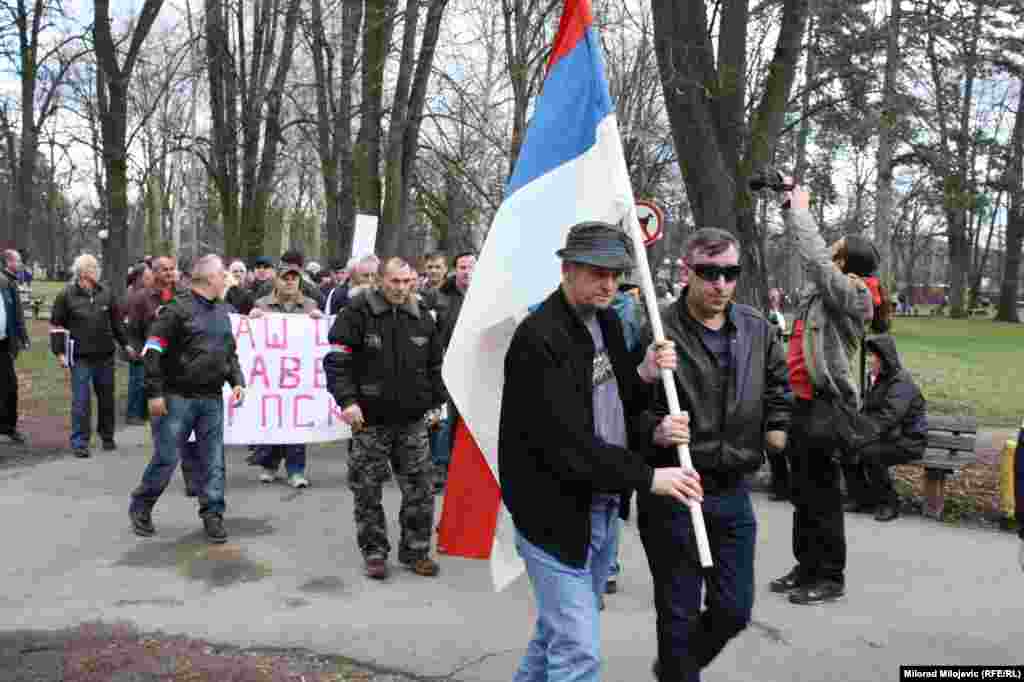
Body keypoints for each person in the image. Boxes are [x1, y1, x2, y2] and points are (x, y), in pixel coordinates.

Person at [499, 222, 701, 682]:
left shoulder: (607, 321)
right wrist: (650, 477)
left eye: (615, 273)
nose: (609, 283)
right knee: (578, 653)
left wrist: (652, 411)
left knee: (556, 637)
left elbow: (622, 403)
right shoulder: (539, 338)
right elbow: (568, 444)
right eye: (596, 272)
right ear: (568, 269)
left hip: (601, 507)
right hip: (552, 516)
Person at [638, 228, 790, 682]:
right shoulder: (658, 330)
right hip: (675, 488)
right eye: (709, 273)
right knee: (679, 612)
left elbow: (779, 386)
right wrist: (657, 430)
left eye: (729, 273)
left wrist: (777, 427)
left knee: (733, 609)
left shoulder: (757, 329)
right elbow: (625, 406)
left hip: (731, 492)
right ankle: (680, 671)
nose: (720, 284)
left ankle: (674, 669)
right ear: (687, 271)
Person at [770, 182, 889, 606]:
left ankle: (830, 576)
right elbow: (814, 264)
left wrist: (802, 212)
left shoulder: (854, 294)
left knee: (822, 496)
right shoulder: (825, 290)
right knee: (802, 493)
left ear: (846, 262)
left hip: (825, 405)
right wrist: (788, 207)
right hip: (800, 402)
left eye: (836, 248)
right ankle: (806, 566)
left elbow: (816, 260)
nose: (829, 251)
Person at [324, 256, 446, 579]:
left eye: (408, 282)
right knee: (367, 490)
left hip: (413, 421)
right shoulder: (357, 312)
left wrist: (437, 402)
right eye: (395, 281)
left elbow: (436, 366)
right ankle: (375, 552)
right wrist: (347, 401)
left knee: (420, 489)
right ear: (380, 280)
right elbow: (337, 362)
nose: (402, 288)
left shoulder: (422, 317)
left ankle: (416, 551)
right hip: (370, 421)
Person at [129, 255, 245, 543]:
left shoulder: (221, 311)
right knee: (167, 457)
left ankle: (212, 514)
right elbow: (152, 352)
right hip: (176, 397)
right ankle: (142, 504)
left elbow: (229, 353)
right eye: (223, 274)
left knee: (213, 460)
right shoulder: (175, 311)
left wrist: (237, 381)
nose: (227, 279)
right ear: (209, 278)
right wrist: (154, 393)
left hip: (211, 399)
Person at [49, 254, 136, 458]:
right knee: (81, 400)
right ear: (84, 272)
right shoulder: (66, 295)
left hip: (105, 356)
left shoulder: (106, 293)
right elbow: (56, 325)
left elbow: (117, 324)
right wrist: (60, 352)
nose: (98, 270)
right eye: (94, 267)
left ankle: (107, 436)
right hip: (80, 357)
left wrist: (126, 345)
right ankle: (80, 442)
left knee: (106, 399)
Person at [248, 261, 324, 488]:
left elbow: (318, 338)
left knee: (296, 424)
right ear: (276, 281)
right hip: (271, 376)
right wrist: (253, 319)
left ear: (299, 281)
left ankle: (296, 470)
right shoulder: (262, 304)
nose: (290, 281)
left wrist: (319, 321)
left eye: (294, 278)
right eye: (285, 278)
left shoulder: (310, 305)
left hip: (298, 376)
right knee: (273, 420)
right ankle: (269, 465)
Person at [842, 335, 927, 522]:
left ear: (885, 359)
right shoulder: (879, 380)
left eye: (873, 356)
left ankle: (889, 503)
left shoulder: (900, 382)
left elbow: (889, 417)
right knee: (847, 447)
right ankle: (861, 498)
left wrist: (862, 435)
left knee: (871, 453)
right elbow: (868, 412)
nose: (869, 360)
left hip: (909, 440)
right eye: (869, 355)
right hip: (888, 436)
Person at [0, 248, 30, 444]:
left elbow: (15, 314)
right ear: (7, 262)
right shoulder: (4, 281)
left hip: (4, 344)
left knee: (10, 386)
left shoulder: (9, 282)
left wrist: (21, 337)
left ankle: (8, 426)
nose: (19, 265)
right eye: (17, 261)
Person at [124, 263, 155, 424]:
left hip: (141, 343)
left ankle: (140, 412)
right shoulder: (135, 295)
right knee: (137, 381)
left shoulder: (141, 294)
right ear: (139, 278)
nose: (151, 280)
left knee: (141, 380)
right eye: (148, 278)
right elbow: (133, 323)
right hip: (137, 344)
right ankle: (133, 414)